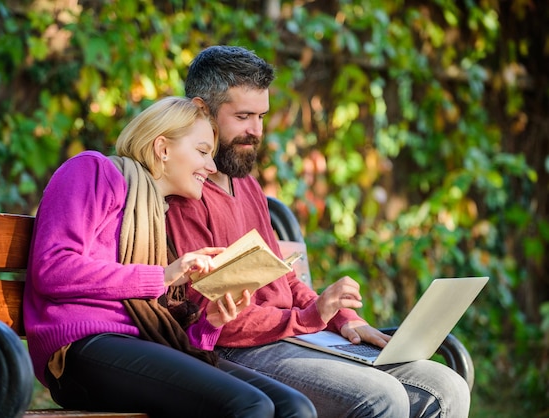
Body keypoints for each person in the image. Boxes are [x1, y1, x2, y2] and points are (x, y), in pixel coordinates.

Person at [165, 46, 472, 418]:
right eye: (243, 116)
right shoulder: (186, 195)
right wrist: (311, 318)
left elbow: (283, 279)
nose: (256, 132)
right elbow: (214, 317)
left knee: (446, 387)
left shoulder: (247, 186)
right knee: (380, 396)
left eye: (261, 116)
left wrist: (341, 318)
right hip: (237, 348)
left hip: (291, 336)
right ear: (201, 110)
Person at [24, 96, 317, 418]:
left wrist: (212, 322)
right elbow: (52, 268)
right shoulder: (94, 171)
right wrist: (161, 276)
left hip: (145, 346)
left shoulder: (159, 217)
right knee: (250, 405)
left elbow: (173, 337)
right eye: (203, 152)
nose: (212, 166)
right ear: (163, 148)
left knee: (295, 407)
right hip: (81, 349)